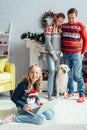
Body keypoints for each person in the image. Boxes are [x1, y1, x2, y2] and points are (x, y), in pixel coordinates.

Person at [61, 8, 87, 103]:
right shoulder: (63, 26)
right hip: (66, 53)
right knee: (69, 73)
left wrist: (83, 52)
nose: (71, 20)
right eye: (69, 18)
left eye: (73, 18)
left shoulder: (81, 26)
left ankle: (81, 94)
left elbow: (85, 40)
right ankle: (71, 91)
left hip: (76, 53)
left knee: (78, 74)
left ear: (76, 17)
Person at [44, 13, 65, 101]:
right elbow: (48, 43)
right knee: (52, 70)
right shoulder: (49, 28)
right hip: (50, 53)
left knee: (57, 73)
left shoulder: (60, 30)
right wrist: (53, 54)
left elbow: (61, 42)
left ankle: (54, 92)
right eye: (59, 21)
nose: (60, 23)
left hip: (58, 54)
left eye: (61, 21)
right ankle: (49, 94)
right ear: (55, 19)